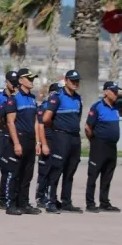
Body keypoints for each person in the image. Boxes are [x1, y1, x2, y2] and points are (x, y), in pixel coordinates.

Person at [44, 70, 84, 213]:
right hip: (61, 136)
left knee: (70, 170)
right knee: (57, 169)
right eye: (72, 80)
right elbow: (46, 118)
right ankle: (50, 201)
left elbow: (78, 117)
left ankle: (66, 202)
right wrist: (57, 129)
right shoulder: (57, 97)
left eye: (77, 80)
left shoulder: (78, 98)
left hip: (74, 137)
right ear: (66, 80)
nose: (75, 83)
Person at [2, 68, 40, 216]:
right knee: (15, 173)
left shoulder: (32, 98)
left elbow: (36, 121)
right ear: (21, 81)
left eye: (33, 79)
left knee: (27, 173)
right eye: (29, 79)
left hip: (30, 139)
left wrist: (37, 142)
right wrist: (16, 143)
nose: (32, 81)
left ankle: (23, 203)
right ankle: (11, 203)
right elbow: (11, 122)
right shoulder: (14, 98)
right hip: (20, 138)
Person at [85, 81, 121, 213]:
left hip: (112, 146)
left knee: (107, 175)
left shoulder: (116, 107)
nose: (116, 93)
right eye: (113, 91)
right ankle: (90, 203)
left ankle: (104, 202)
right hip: (99, 145)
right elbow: (88, 127)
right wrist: (94, 141)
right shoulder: (97, 107)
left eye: (117, 91)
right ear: (106, 91)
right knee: (93, 174)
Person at [34, 85, 54, 207]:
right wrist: (40, 143)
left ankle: (50, 196)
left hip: (56, 141)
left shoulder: (56, 107)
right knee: (43, 172)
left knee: (53, 171)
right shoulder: (43, 107)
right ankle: (40, 196)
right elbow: (38, 126)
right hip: (45, 139)